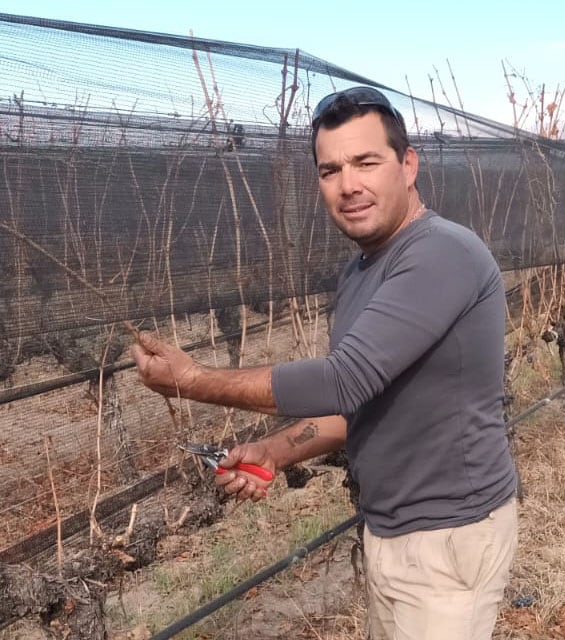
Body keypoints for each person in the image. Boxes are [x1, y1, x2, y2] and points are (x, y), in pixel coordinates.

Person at [132, 86, 518, 640]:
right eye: (330, 169)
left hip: (446, 539)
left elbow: (342, 381)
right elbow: (358, 403)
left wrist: (191, 381)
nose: (348, 184)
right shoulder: (362, 271)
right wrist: (272, 450)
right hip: (392, 529)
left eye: (366, 162)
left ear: (408, 165)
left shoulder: (442, 252)